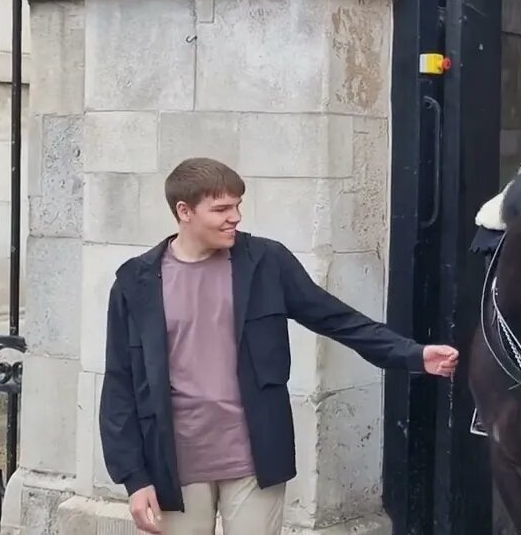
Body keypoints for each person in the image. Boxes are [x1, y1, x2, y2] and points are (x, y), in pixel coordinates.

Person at [99, 158, 459, 534]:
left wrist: (412, 353)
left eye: (238, 205)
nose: (235, 217)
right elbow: (119, 384)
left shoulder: (267, 262)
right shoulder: (134, 282)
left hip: (254, 456)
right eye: (221, 208)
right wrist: (134, 479)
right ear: (184, 212)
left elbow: (336, 319)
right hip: (172, 461)